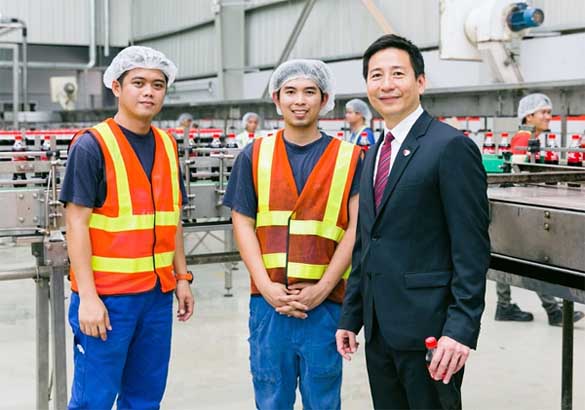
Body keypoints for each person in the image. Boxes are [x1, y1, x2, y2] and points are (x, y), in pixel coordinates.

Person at [335, 34, 491, 409]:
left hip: (431, 333)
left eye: (397, 74)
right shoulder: (373, 154)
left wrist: (460, 329)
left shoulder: (450, 147)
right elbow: (366, 243)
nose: (386, 84)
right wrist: (352, 315)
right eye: (376, 75)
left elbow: (471, 247)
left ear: (420, 82)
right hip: (380, 330)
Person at [60, 46, 195, 409]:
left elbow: (174, 216)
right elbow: (76, 223)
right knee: (94, 399)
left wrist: (182, 277)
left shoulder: (167, 145)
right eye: (138, 82)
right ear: (117, 87)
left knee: (145, 398)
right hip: (107, 298)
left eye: (157, 84)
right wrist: (87, 298)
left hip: (155, 297)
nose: (148, 91)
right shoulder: (92, 145)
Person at [223, 59, 362, 410]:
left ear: (324, 98)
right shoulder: (253, 156)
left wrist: (324, 288)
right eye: (291, 92)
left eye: (309, 92)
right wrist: (267, 288)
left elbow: (356, 229)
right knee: (271, 398)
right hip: (269, 304)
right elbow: (243, 224)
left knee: (323, 399)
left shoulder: (351, 158)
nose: (299, 100)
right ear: (276, 98)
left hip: (326, 305)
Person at [497, 93, 585, 325]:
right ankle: (553, 311)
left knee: (509, 253)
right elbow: (519, 175)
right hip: (517, 206)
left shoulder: (530, 138)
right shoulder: (523, 138)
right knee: (536, 257)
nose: (548, 116)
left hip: (513, 206)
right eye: (543, 112)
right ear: (528, 116)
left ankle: (504, 306)